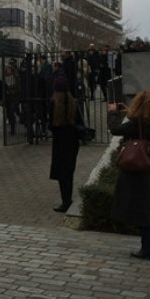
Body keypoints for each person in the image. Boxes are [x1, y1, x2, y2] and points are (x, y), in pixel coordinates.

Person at [108, 90, 150, 259]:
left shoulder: (138, 123)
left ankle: (149, 248)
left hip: (141, 169)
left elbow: (115, 129)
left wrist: (113, 112)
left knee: (144, 210)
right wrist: (129, 112)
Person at [48, 76, 80, 213]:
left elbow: (51, 125)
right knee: (69, 171)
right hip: (72, 141)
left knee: (61, 173)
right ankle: (68, 198)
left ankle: (65, 201)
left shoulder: (54, 103)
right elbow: (78, 121)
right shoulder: (73, 102)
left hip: (60, 141)